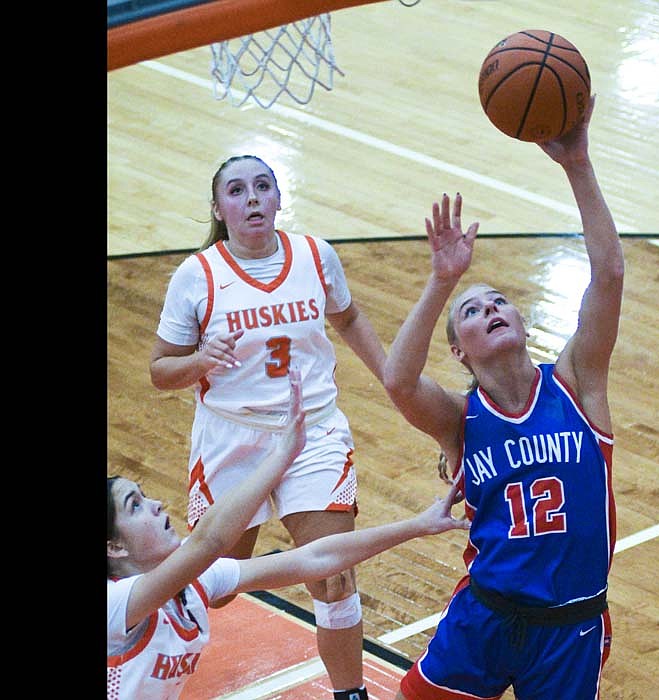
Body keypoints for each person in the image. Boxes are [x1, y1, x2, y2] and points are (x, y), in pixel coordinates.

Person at [383, 95, 624, 700]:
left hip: (570, 626)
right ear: (460, 351)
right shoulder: (460, 420)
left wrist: (578, 165)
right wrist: (443, 281)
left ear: (519, 319)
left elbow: (610, 276)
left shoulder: (577, 383)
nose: (489, 308)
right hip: (485, 618)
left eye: (498, 301)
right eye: (473, 309)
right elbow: (399, 382)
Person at [149, 154, 387, 700]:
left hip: (312, 432)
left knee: (332, 573)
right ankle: (130, 634)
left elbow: (346, 316)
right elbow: (161, 371)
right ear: (219, 207)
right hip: (232, 439)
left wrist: (393, 378)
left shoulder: (314, 255)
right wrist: (199, 362)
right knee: (217, 584)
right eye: (237, 190)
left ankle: (350, 694)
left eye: (263, 186)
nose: (252, 197)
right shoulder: (198, 274)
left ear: (279, 199)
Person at [108, 368, 470, 700]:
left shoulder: (196, 583)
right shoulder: (115, 605)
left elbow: (316, 558)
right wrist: (281, 455)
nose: (155, 504)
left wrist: (416, 526)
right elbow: (209, 541)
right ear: (114, 546)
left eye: (144, 494)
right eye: (134, 506)